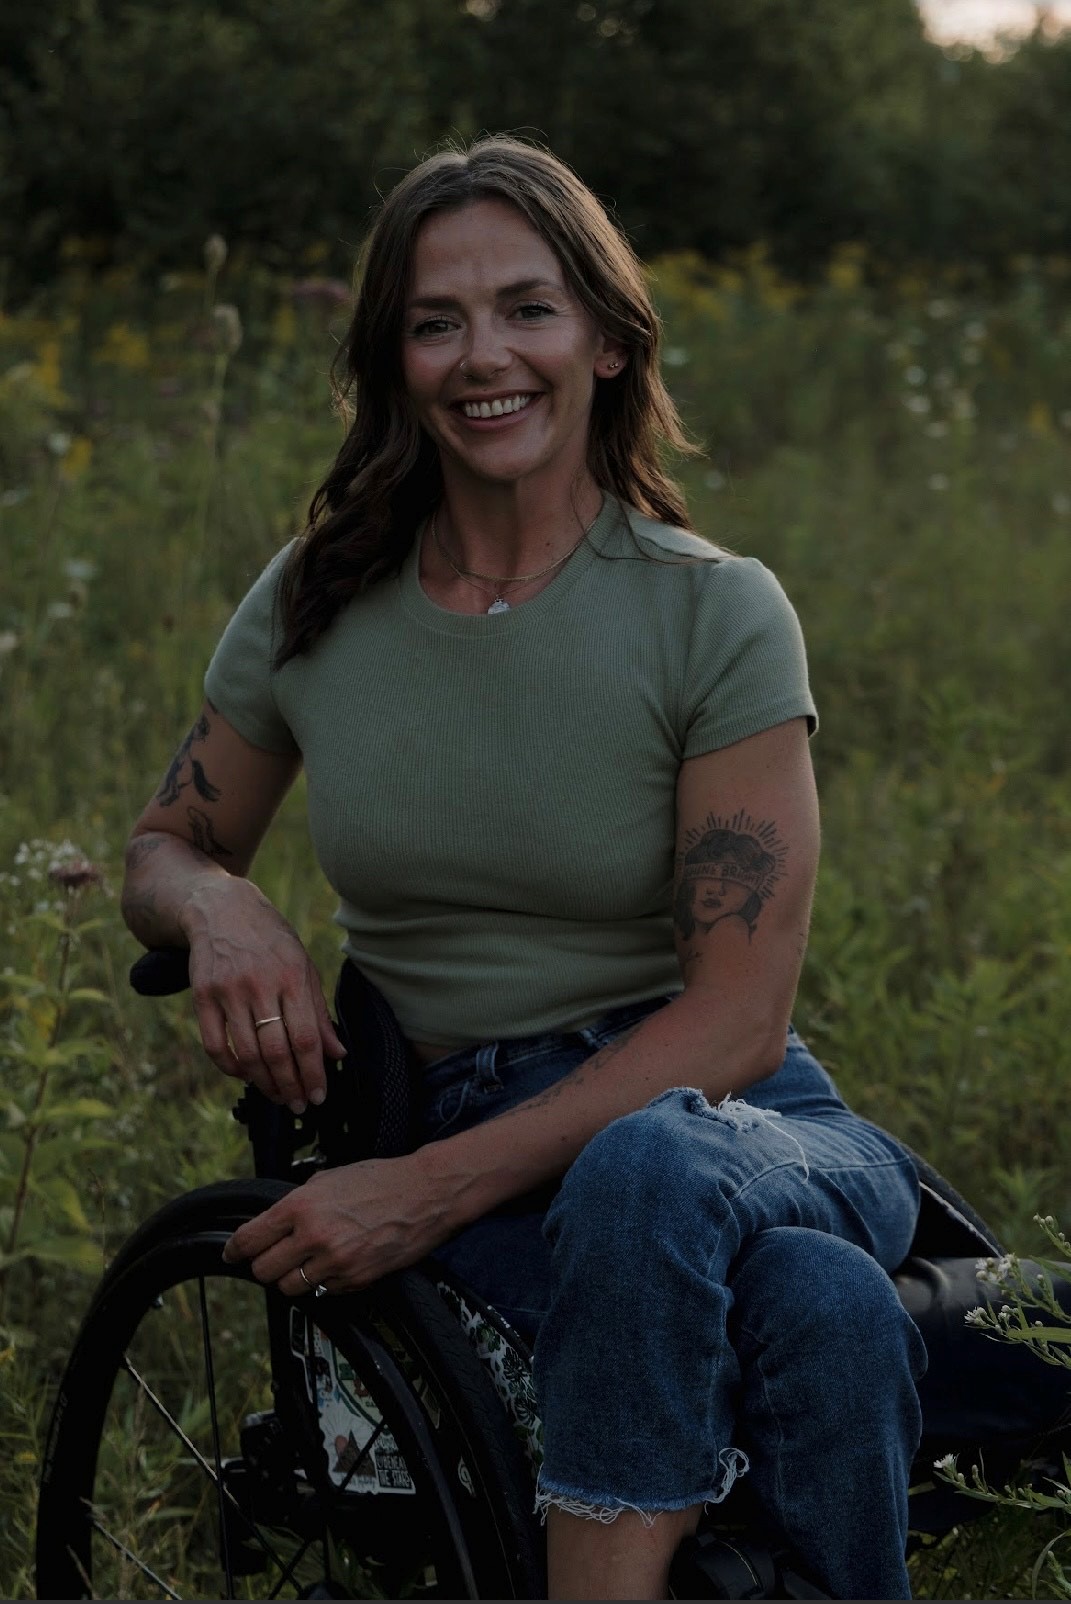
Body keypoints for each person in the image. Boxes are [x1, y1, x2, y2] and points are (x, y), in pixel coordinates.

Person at [120, 135, 928, 1600]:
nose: (483, 355)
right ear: (395, 359)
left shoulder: (715, 615)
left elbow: (738, 1026)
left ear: (609, 341)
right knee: (825, 1311)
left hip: (740, 1123)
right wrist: (222, 904)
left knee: (660, 1163)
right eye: (437, 321)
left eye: (528, 308)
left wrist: (413, 1191)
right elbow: (166, 843)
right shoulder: (320, 602)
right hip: (482, 1126)